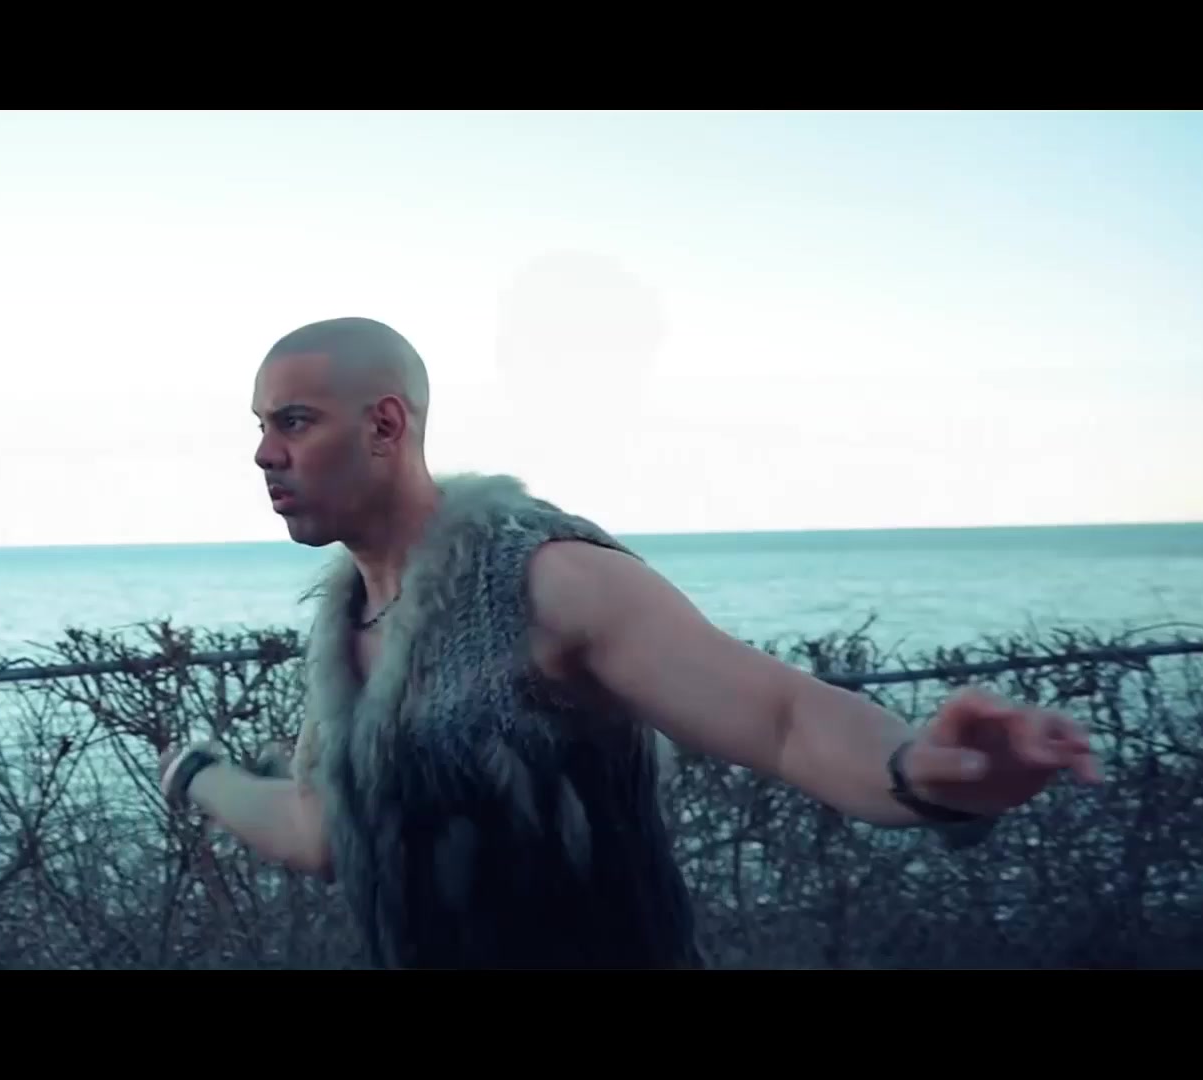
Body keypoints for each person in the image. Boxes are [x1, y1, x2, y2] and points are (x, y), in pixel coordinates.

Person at [158, 316, 1101, 970]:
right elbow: (326, 833)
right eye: (262, 427)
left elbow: (781, 718)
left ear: (384, 424)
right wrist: (199, 775)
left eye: (293, 422)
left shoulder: (542, 579)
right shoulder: (347, 630)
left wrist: (918, 773)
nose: (264, 454)